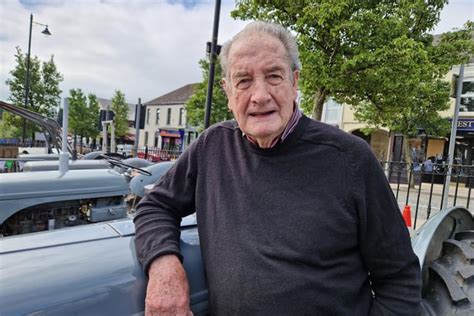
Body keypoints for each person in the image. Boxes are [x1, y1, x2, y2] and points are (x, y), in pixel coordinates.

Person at [134, 21, 421, 315]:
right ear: (227, 91)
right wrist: (163, 266)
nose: (259, 96)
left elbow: (399, 280)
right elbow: (155, 206)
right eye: (243, 80)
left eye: (273, 76)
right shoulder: (211, 146)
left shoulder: (350, 158)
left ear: (294, 82)